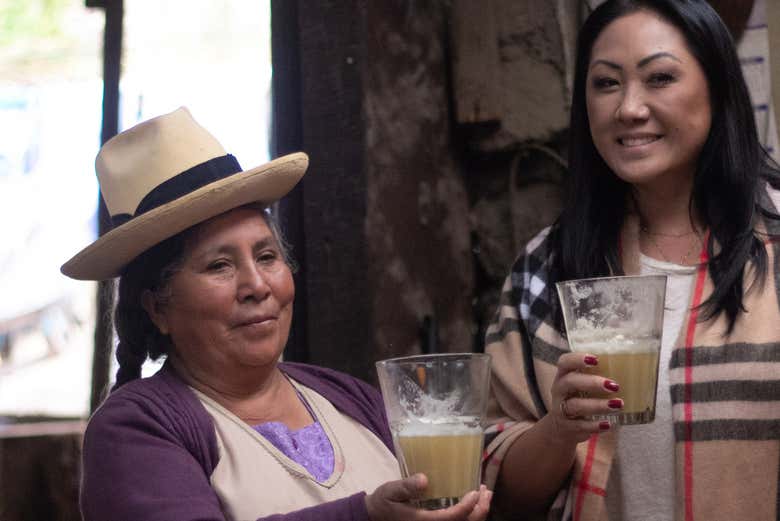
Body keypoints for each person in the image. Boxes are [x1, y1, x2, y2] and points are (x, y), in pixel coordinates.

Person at [62, 107, 492, 521]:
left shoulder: (348, 398)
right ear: (158, 308)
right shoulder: (135, 429)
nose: (258, 285)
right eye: (219, 266)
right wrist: (365, 515)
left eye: (267, 256)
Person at [481, 1, 780, 520]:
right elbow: (501, 496)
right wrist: (559, 429)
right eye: (606, 83)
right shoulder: (548, 266)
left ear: (717, 87)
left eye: (659, 77)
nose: (628, 108)